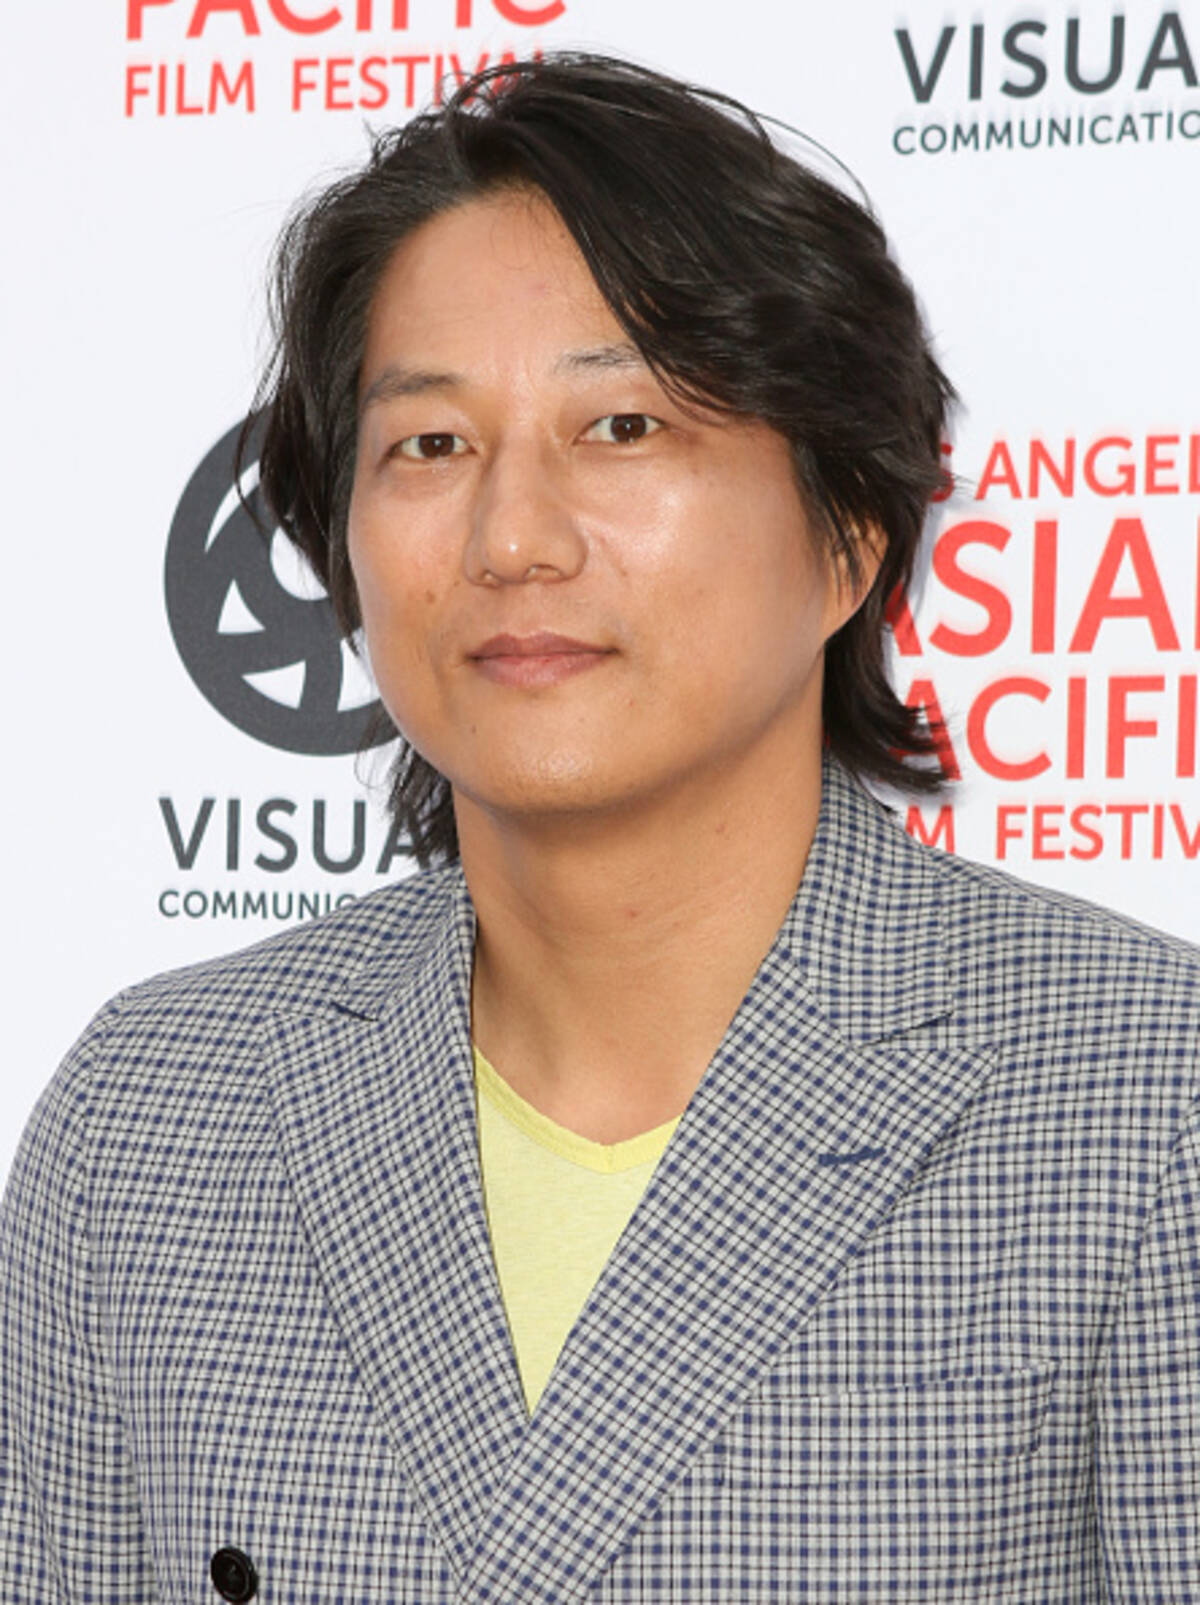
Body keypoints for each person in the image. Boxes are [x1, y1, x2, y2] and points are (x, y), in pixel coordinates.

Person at [2, 53, 1198, 1605]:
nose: (512, 536)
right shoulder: (153, 1118)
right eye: (430, 445)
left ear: (847, 534)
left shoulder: (1141, 1099)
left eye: (622, 425)